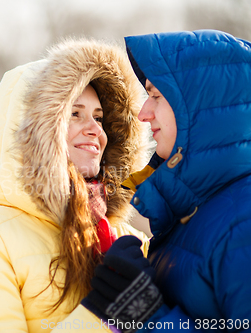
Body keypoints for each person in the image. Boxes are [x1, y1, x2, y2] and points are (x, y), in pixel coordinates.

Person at [0, 37, 151, 333]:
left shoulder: (127, 240)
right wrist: (104, 314)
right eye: (74, 114)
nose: (95, 130)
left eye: (99, 118)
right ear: (36, 132)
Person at [83, 30, 251, 332]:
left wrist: (144, 315)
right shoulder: (191, 214)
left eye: (156, 95)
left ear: (200, 108)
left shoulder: (243, 223)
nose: (143, 112)